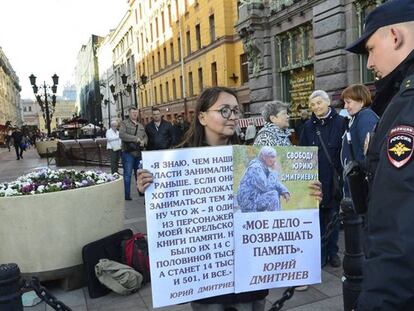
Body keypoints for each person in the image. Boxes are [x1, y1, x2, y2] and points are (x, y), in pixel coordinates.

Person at [138, 86, 269, 311]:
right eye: (225, 110)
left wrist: (306, 192)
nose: (233, 117)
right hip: (206, 270)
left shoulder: (248, 157)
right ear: (202, 117)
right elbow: (168, 212)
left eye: (236, 111)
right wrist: (148, 185)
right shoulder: (177, 160)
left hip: (247, 267)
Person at [346, 0, 414, 309]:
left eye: (372, 49)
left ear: (395, 37)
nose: (370, 62)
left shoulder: (407, 105)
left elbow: (397, 225)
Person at [300, 90, 346, 268]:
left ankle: (333, 252)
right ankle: (319, 253)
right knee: (316, 219)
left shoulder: (341, 123)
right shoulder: (308, 127)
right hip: (315, 181)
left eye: (319, 103)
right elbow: (302, 153)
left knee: (333, 218)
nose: (315, 107)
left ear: (328, 103)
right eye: (312, 105)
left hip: (334, 180)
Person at [340, 84, 378, 196]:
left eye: (348, 102)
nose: (345, 106)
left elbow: (368, 151)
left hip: (360, 184)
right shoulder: (359, 117)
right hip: (356, 182)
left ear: (361, 101)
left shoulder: (365, 118)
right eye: (344, 103)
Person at [237, 146, 290, 212]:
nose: (274, 160)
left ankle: (276, 217)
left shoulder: (263, 167)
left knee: (275, 193)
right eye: (272, 156)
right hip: (249, 203)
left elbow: (272, 182)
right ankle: (275, 218)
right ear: (263, 157)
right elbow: (266, 187)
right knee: (273, 195)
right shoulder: (255, 167)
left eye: (274, 157)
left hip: (255, 198)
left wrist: (283, 191)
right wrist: (274, 172)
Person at [119, 107, 147, 201]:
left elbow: (145, 136)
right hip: (128, 153)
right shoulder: (124, 123)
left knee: (139, 174)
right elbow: (122, 135)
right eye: (133, 113)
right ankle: (127, 195)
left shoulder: (140, 125)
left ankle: (140, 191)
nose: (135, 114)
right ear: (129, 114)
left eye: (136, 112)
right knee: (127, 174)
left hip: (138, 153)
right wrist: (135, 139)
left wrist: (144, 141)